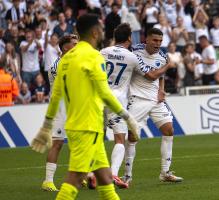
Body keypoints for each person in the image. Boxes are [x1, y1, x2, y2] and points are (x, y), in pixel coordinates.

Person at [31, 14, 139, 200]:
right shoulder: (94, 56)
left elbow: (55, 94)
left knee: (106, 181)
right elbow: (104, 93)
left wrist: (47, 125)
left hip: (76, 126)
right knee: (73, 179)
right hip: (88, 126)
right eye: (101, 29)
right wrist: (128, 118)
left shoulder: (64, 60)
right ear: (96, 32)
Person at [101, 23, 161, 189]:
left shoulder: (103, 52)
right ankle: (113, 174)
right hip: (117, 101)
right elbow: (150, 76)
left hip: (99, 98)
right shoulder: (132, 57)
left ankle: (91, 174)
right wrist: (167, 66)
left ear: (114, 36)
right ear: (129, 38)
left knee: (96, 139)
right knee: (119, 139)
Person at [123, 28, 183, 185]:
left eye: (160, 41)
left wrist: (162, 90)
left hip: (155, 99)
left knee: (169, 129)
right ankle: (127, 176)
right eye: (155, 40)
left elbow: (160, 76)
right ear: (146, 39)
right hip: (138, 98)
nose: (158, 44)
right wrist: (169, 66)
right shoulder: (135, 51)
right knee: (132, 136)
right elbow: (151, 76)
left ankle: (165, 172)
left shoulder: (162, 56)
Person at [41, 34, 78, 192]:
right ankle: (48, 181)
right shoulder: (59, 65)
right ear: (65, 48)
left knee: (77, 144)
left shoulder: (72, 62)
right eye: (74, 44)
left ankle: (79, 177)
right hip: (60, 109)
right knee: (57, 143)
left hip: (72, 107)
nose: (77, 47)